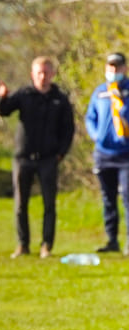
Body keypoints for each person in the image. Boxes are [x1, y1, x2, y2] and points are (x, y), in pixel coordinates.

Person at [0, 57, 75, 259]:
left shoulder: (60, 99)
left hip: (49, 159)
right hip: (23, 158)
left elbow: (69, 129)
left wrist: (60, 154)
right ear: (33, 74)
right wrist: (2, 98)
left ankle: (46, 245)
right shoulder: (24, 94)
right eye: (39, 72)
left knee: (49, 204)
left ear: (53, 74)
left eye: (46, 72)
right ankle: (23, 245)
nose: (43, 76)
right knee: (20, 204)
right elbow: (4, 111)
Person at [85, 52, 129, 254]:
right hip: (103, 154)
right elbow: (90, 118)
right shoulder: (99, 92)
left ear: (124, 69)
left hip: (125, 154)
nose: (113, 71)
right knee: (108, 198)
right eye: (110, 67)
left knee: (127, 197)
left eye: (117, 67)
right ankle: (112, 241)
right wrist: (96, 136)